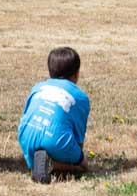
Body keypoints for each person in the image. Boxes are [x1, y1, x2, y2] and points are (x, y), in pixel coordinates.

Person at [18, 46, 90, 184]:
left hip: (26, 137)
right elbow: (79, 138)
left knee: (38, 150)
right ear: (76, 73)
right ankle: (52, 164)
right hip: (56, 141)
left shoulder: (37, 87)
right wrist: (78, 158)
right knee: (83, 166)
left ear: (50, 72)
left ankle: (34, 161)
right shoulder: (81, 97)